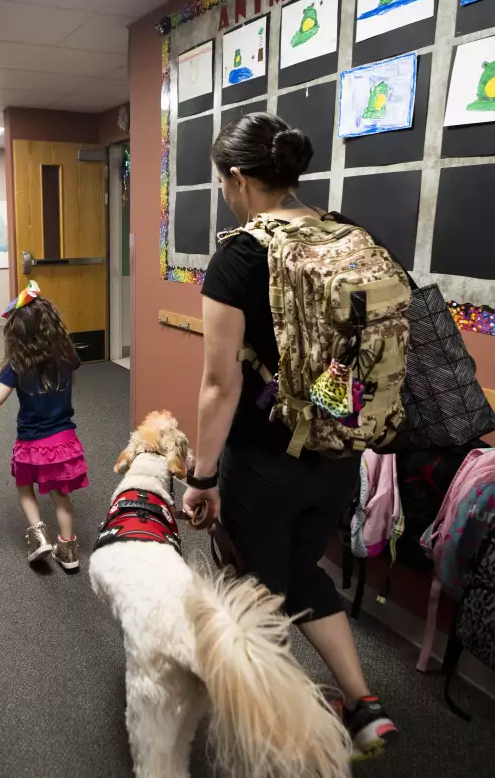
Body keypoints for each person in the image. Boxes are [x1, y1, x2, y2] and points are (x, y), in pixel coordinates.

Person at [181, 113, 399, 757]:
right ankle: (364, 705)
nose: (224, 191)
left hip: (264, 460)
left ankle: (277, 740)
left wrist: (200, 477)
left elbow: (220, 385)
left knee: (256, 594)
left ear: (240, 178)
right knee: (302, 570)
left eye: (223, 180)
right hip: (339, 454)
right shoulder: (352, 235)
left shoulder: (240, 253)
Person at [0, 281, 85, 571]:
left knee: (24, 488)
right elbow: (72, 382)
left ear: (17, 333)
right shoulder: (67, 355)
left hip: (32, 442)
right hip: (63, 440)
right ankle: (68, 550)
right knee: (61, 496)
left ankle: (39, 536)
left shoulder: (18, 363)